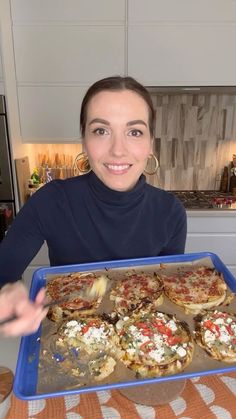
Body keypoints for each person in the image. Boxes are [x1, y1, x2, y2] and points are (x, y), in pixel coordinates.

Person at [0, 75, 187, 337]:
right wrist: (7, 295)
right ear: (84, 140)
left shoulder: (171, 212)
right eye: (101, 130)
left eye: (134, 132)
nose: (118, 150)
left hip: (143, 345)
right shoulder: (51, 201)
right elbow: (3, 272)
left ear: (150, 143)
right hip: (69, 344)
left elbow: (167, 293)